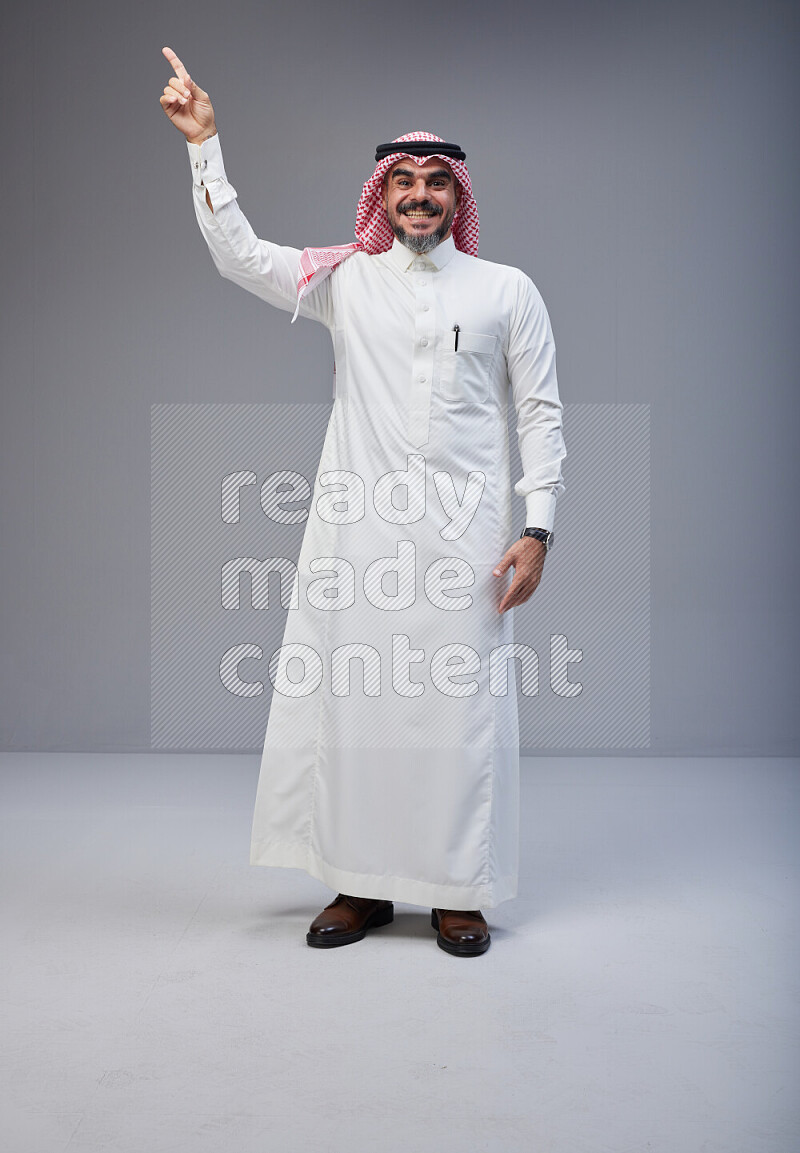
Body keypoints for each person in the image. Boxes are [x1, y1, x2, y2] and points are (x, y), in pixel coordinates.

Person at [160, 46, 566, 957]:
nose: (419, 195)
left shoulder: (508, 291)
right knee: (359, 713)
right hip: (359, 538)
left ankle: (458, 892)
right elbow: (239, 256)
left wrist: (538, 528)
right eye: (403, 183)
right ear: (381, 198)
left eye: (434, 182)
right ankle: (360, 885)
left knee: (456, 715)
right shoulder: (346, 280)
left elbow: (540, 414)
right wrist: (205, 146)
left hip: (470, 545)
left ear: (455, 196)